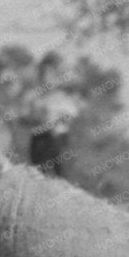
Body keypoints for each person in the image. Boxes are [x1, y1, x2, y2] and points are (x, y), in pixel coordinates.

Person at [23, 52, 83, 180]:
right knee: (38, 177)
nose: (45, 77)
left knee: (62, 178)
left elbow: (71, 118)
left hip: (58, 140)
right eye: (42, 73)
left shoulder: (64, 99)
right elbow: (28, 119)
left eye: (49, 74)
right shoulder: (34, 98)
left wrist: (53, 121)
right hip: (39, 139)